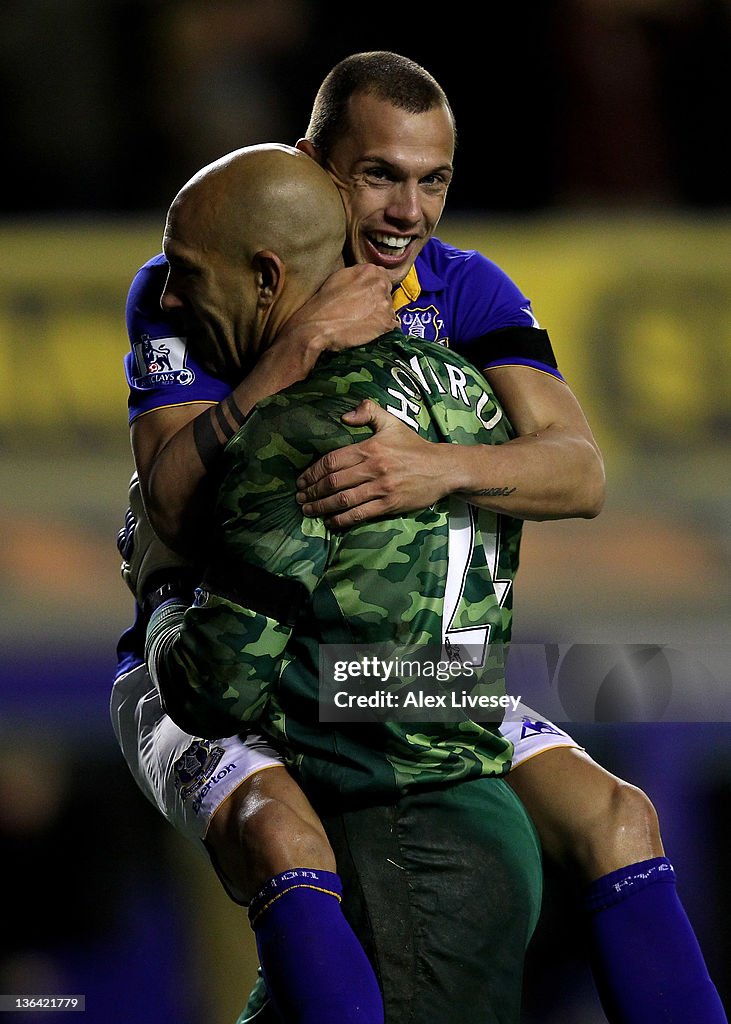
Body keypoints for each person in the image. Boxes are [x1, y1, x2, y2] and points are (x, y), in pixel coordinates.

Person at [112, 51, 727, 1024]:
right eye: (379, 175)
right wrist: (290, 356)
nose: (407, 210)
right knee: (283, 833)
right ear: (316, 162)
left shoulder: (462, 289)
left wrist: (437, 467)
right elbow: (172, 504)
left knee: (616, 814)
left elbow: (579, 469)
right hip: (218, 644)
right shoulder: (208, 270)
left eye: (430, 179)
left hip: (365, 665)